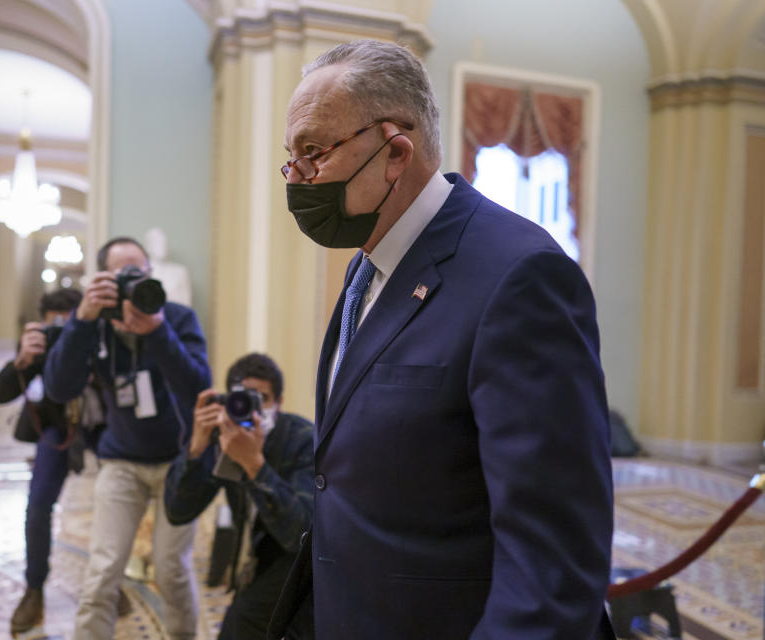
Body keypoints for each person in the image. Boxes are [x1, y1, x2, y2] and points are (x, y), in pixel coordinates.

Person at [270, 40, 615, 639]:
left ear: (395, 152)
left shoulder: (520, 275)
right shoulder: (369, 265)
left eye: (313, 153)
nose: (297, 179)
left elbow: (552, 560)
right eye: (291, 158)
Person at [43, 237, 211, 640]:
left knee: (170, 569)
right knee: (103, 571)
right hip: (122, 461)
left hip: (179, 461)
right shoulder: (93, 323)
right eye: (122, 273)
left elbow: (197, 387)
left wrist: (157, 332)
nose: (134, 280)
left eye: (141, 270)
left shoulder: (177, 318)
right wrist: (82, 318)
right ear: (102, 279)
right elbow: (60, 388)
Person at [164, 353, 313, 640]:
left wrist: (255, 466)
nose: (249, 410)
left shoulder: (303, 439)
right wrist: (196, 450)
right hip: (258, 559)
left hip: (304, 563)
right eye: (241, 399)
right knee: (236, 625)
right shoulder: (223, 439)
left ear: (279, 403)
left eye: (261, 399)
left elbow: (301, 533)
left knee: (244, 621)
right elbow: (177, 511)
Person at [0, 287, 83, 637]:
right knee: (38, 504)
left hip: (98, 428)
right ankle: (33, 588)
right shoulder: (36, 344)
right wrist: (23, 362)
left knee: (116, 503)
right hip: (55, 429)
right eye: (51, 326)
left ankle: (110, 583)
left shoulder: (96, 339)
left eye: (66, 325)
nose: (57, 332)